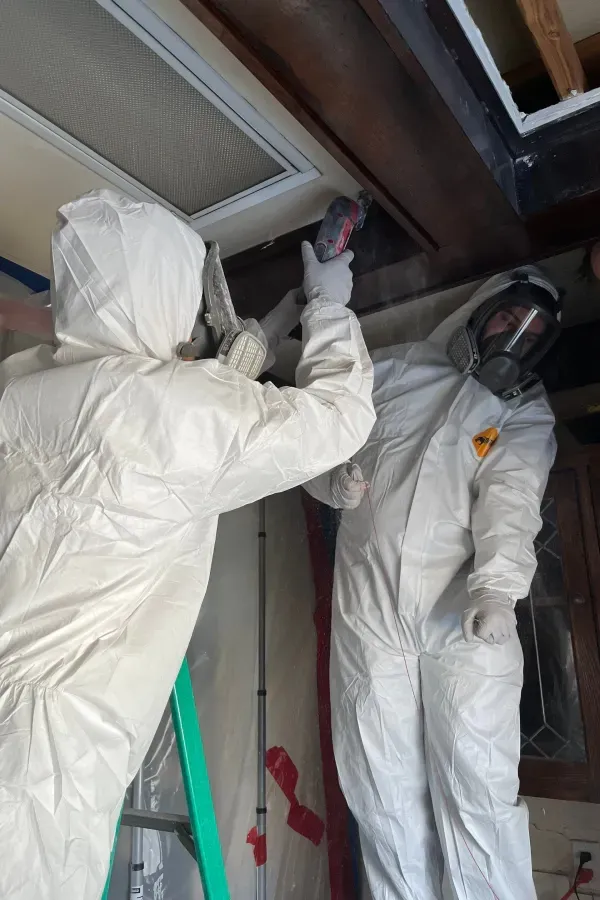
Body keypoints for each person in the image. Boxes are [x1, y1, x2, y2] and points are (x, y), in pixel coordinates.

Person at [0, 189, 375, 900]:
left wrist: (241, 377)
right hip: (41, 759)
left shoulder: (23, 386)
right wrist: (328, 307)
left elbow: (155, 453)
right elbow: (337, 417)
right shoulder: (172, 413)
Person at [304, 268, 561, 900]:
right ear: (482, 309)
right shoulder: (391, 372)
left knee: (476, 788)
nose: (514, 334)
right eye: (509, 316)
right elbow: (315, 441)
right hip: (371, 609)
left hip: (464, 615)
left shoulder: (521, 411)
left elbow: (511, 499)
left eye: (531, 333)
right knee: (381, 791)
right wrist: (332, 485)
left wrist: (498, 588)